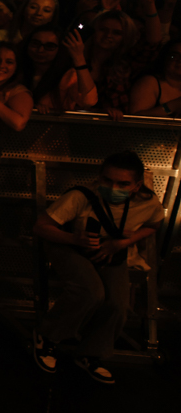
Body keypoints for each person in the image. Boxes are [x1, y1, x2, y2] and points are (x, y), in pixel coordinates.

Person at [31, 152, 164, 385]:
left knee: (117, 304)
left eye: (123, 184)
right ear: (99, 178)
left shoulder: (147, 202)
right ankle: (48, 337)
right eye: (107, 181)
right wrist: (75, 239)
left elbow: (155, 223)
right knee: (90, 292)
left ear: (136, 186)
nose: (113, 188)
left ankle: (90, 354)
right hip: (70, 245)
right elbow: (41, 227)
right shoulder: (80, 197)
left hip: (110, 249)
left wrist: (124, 242)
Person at [126, 40, 181, 117]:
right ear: (164, 58)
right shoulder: (149, 82)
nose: (180, 61)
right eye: (174, 56)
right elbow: (136, 118)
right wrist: (175, 105)